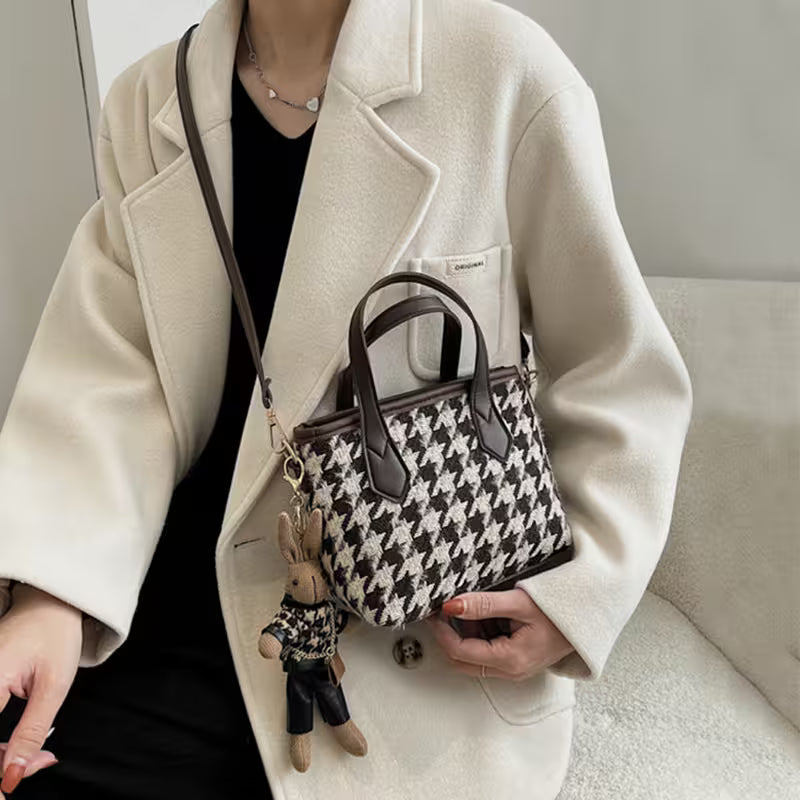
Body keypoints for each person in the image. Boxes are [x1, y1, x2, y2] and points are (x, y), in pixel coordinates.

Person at [0, 0, 693, 798]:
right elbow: (111, 373)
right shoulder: (151, 101)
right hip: (178, 602)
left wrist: (577, 596)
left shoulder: (504, 69)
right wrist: (53, 591)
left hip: (413, 636)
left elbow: (617, 367)